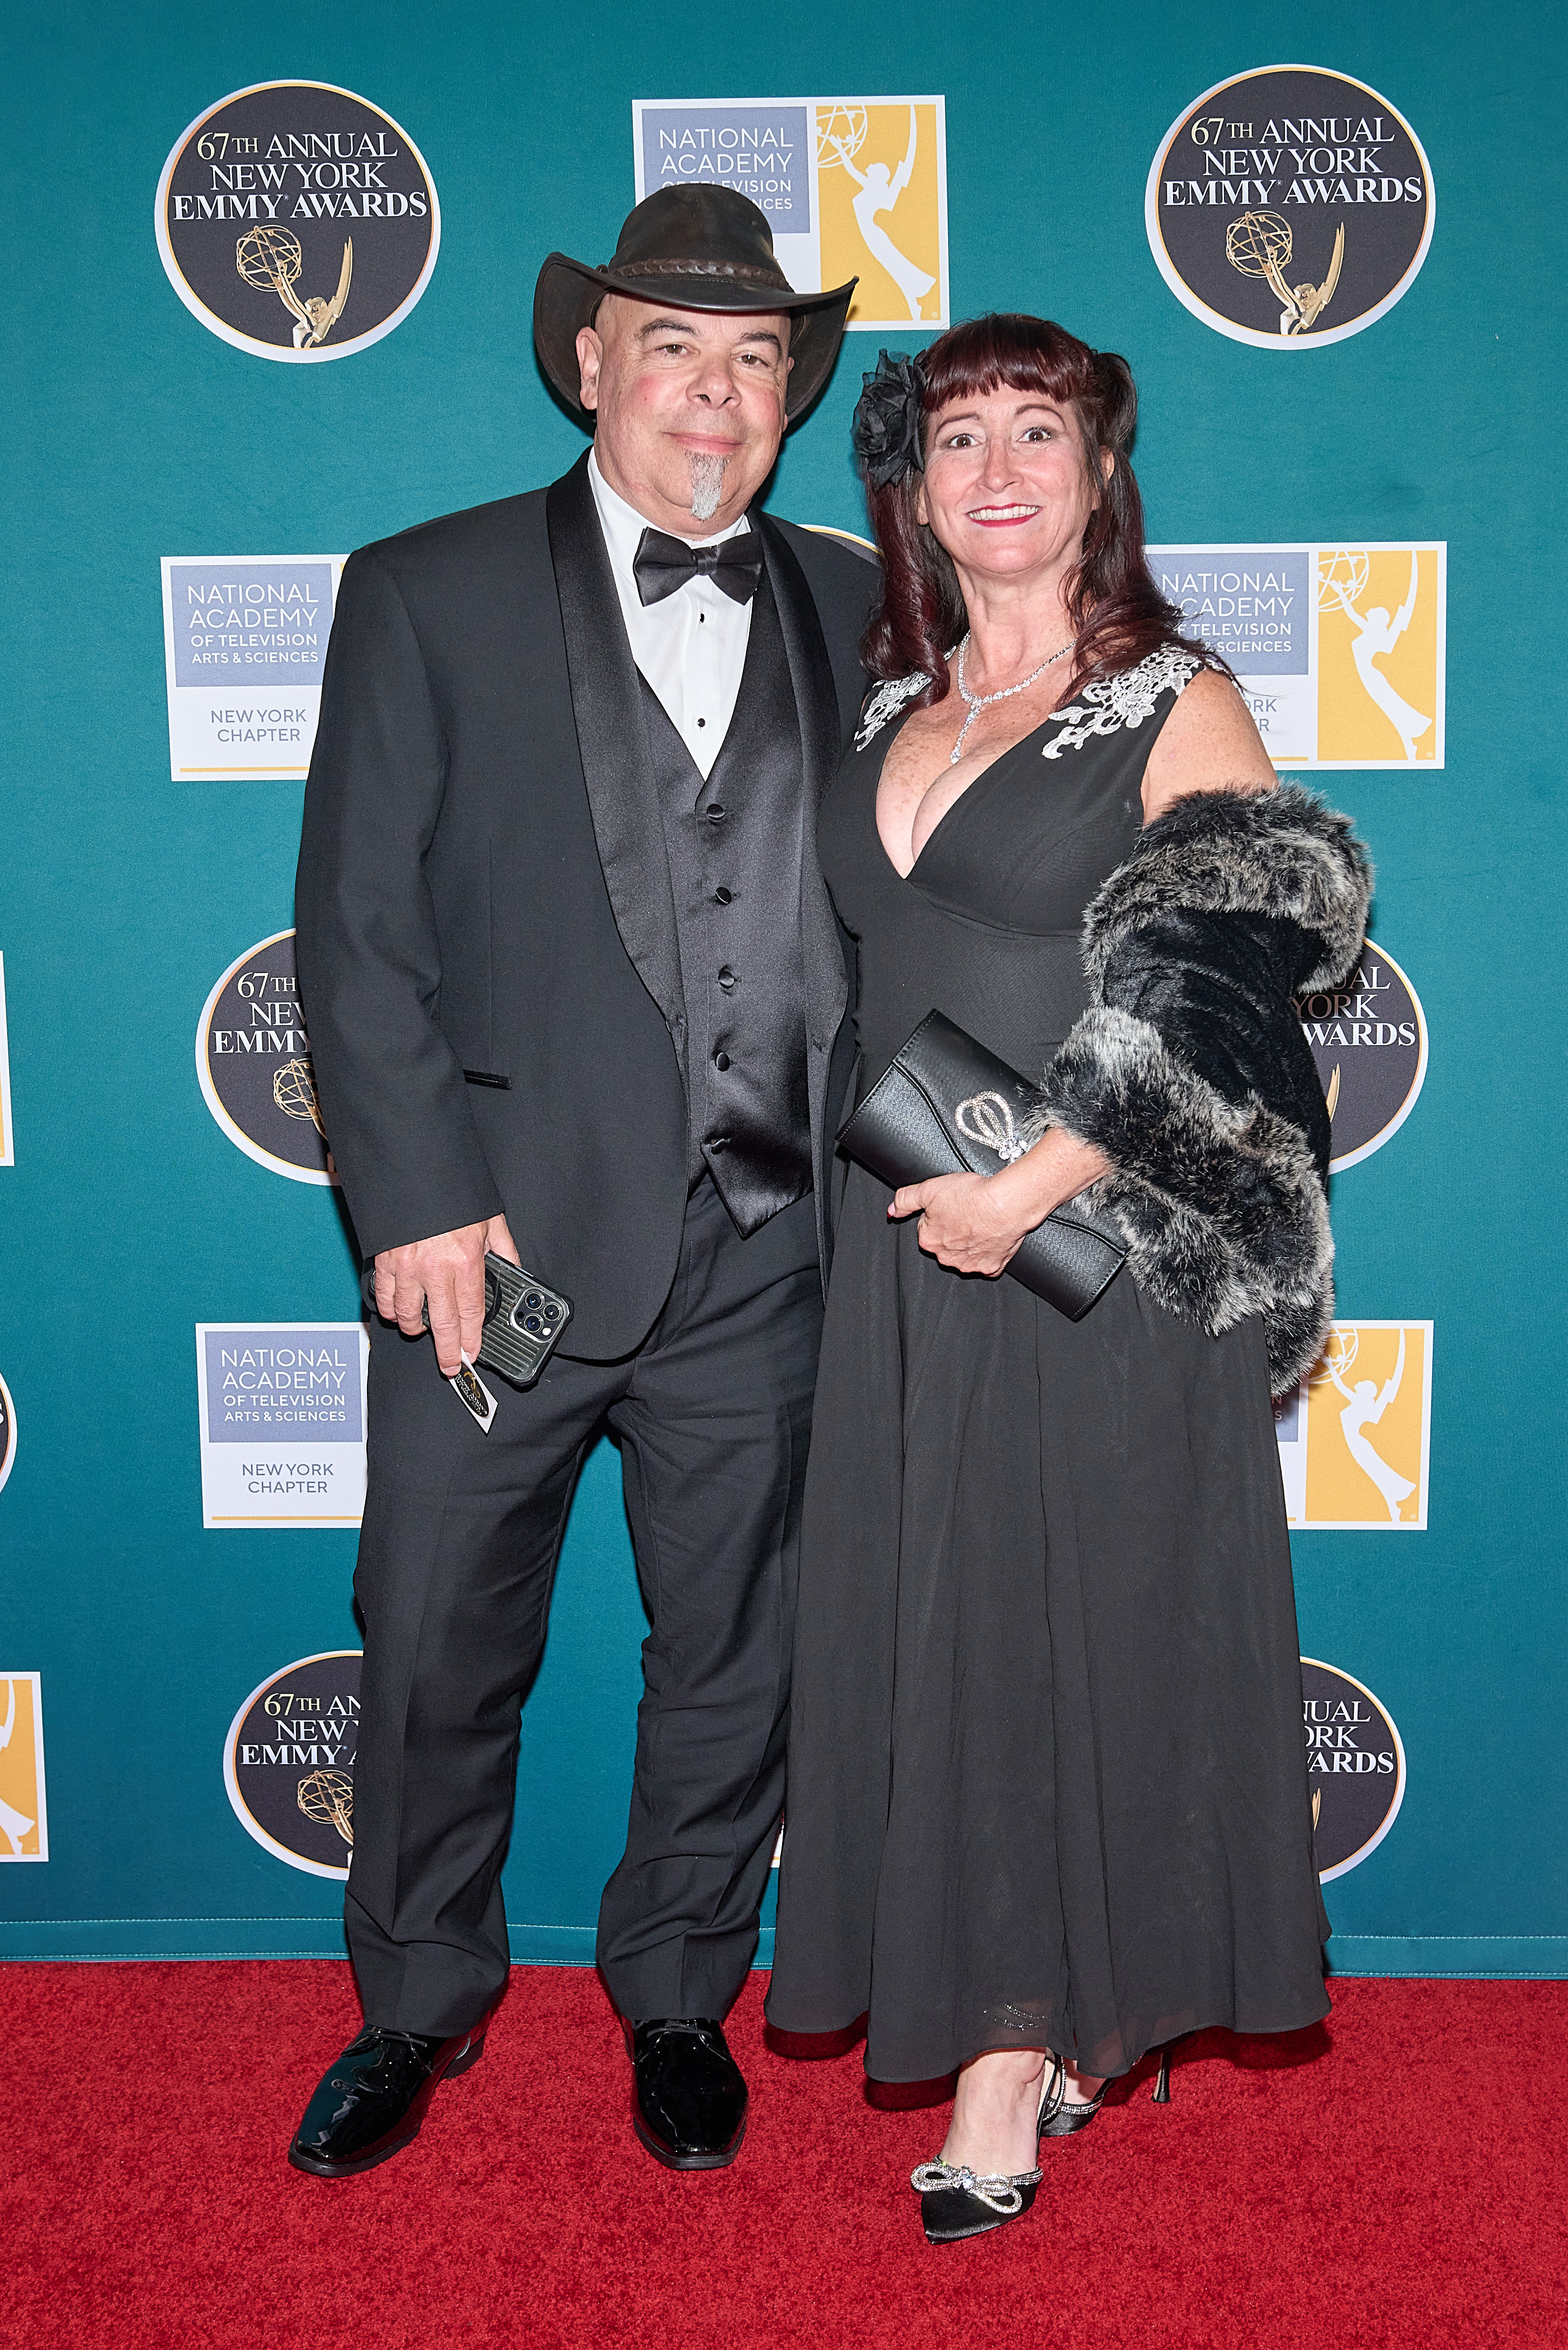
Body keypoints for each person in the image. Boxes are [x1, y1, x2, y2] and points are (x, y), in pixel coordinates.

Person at [765, 317, 1372, 2243]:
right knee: (947, 1636)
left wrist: (1029, 1185)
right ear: (913, 487)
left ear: (1102, 475)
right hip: (905, 1250)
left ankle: (1011, 2055)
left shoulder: (1175, 696)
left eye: (1039, 431)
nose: (998, 469)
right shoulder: (892, 705)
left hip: (1092, 1255)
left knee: (1081, 1631)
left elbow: (1225, 981)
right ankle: (1039, 1998)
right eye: (958, 437)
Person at [289, 188, 875, 2179]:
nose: (715, 393)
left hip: (772, 1244)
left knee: (735, 1648)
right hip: (498, 1244)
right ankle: (413, 2000)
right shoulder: (423, 588)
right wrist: (415, 1201)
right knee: (432, 1637)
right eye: (673, 348)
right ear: (588, 365)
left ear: (788, 396)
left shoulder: (863, 604)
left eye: (756, 359)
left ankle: (681, 1990)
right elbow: (356, 928)